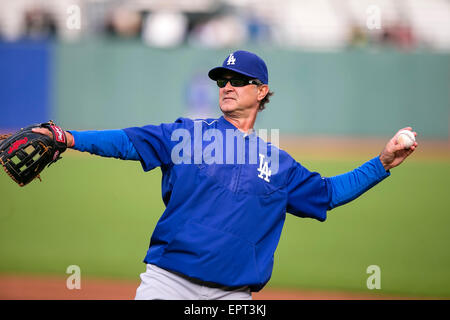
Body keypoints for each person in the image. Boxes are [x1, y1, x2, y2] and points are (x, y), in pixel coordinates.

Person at [33, 50, 417, 300]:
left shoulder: (280, 164)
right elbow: (127, 141)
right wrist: (68, 138)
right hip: (168, 283)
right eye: (222, 81)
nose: (227, 86)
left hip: (232, 297)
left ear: (261, 91)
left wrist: (381, 163)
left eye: (237, 80)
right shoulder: (186, 135)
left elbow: (329, 193)